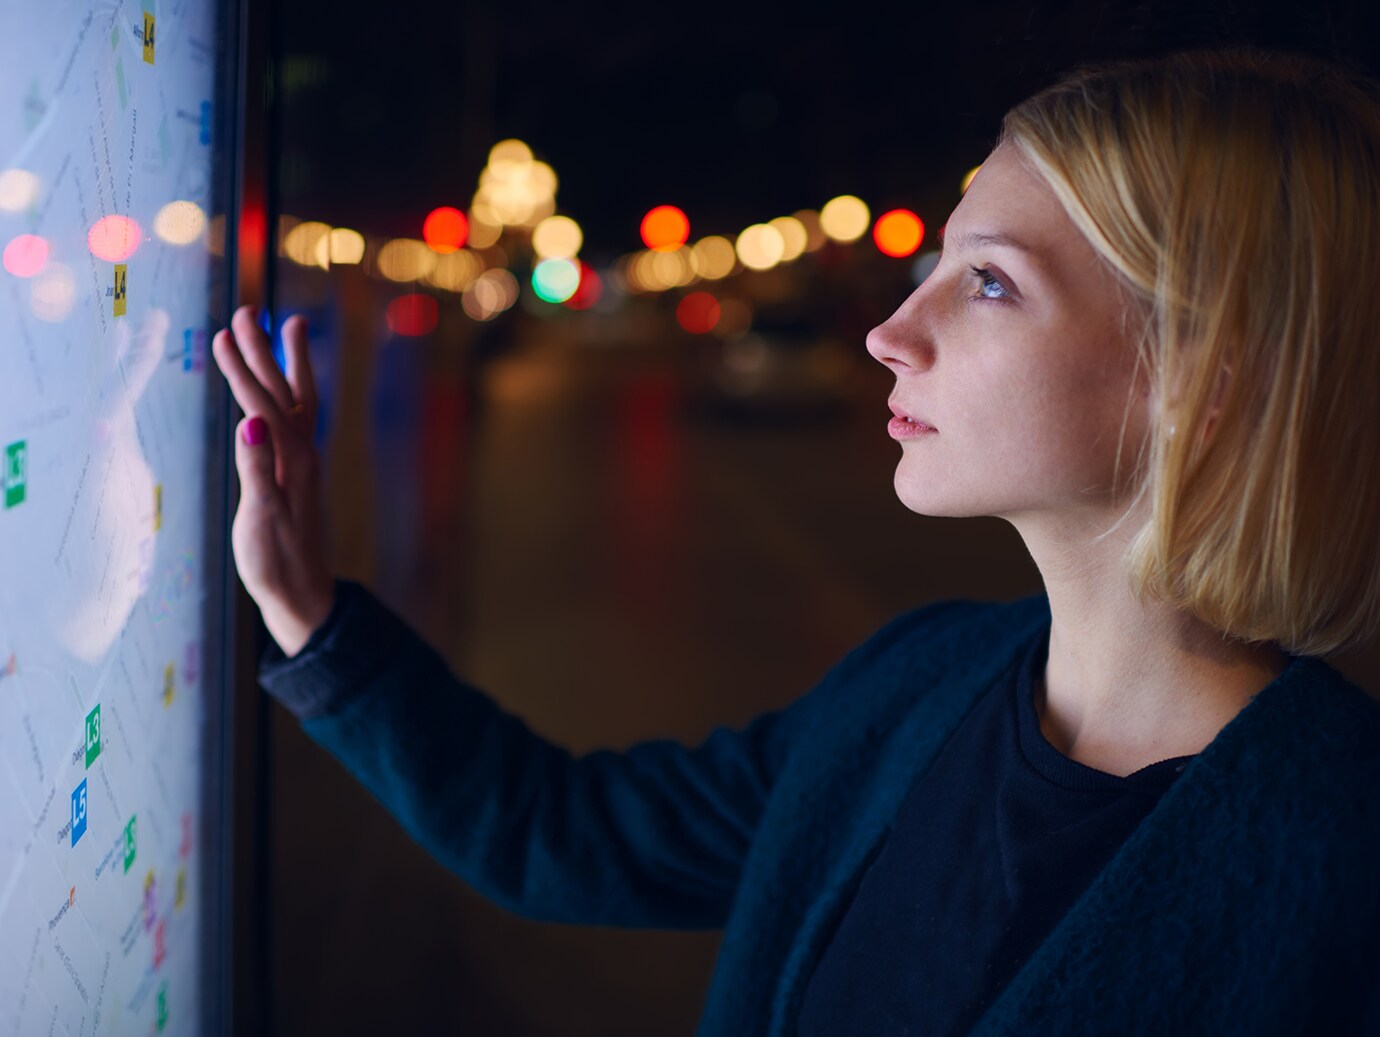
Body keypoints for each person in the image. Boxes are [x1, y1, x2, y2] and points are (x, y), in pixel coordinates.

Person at [212, 45, 1380, 1036]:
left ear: (1201, 381)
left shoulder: (1341, 859)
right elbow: (565, 833)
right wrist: (312, 612)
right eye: (936, 263)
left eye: (987, 284)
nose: (886, 332)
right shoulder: (914, 680)